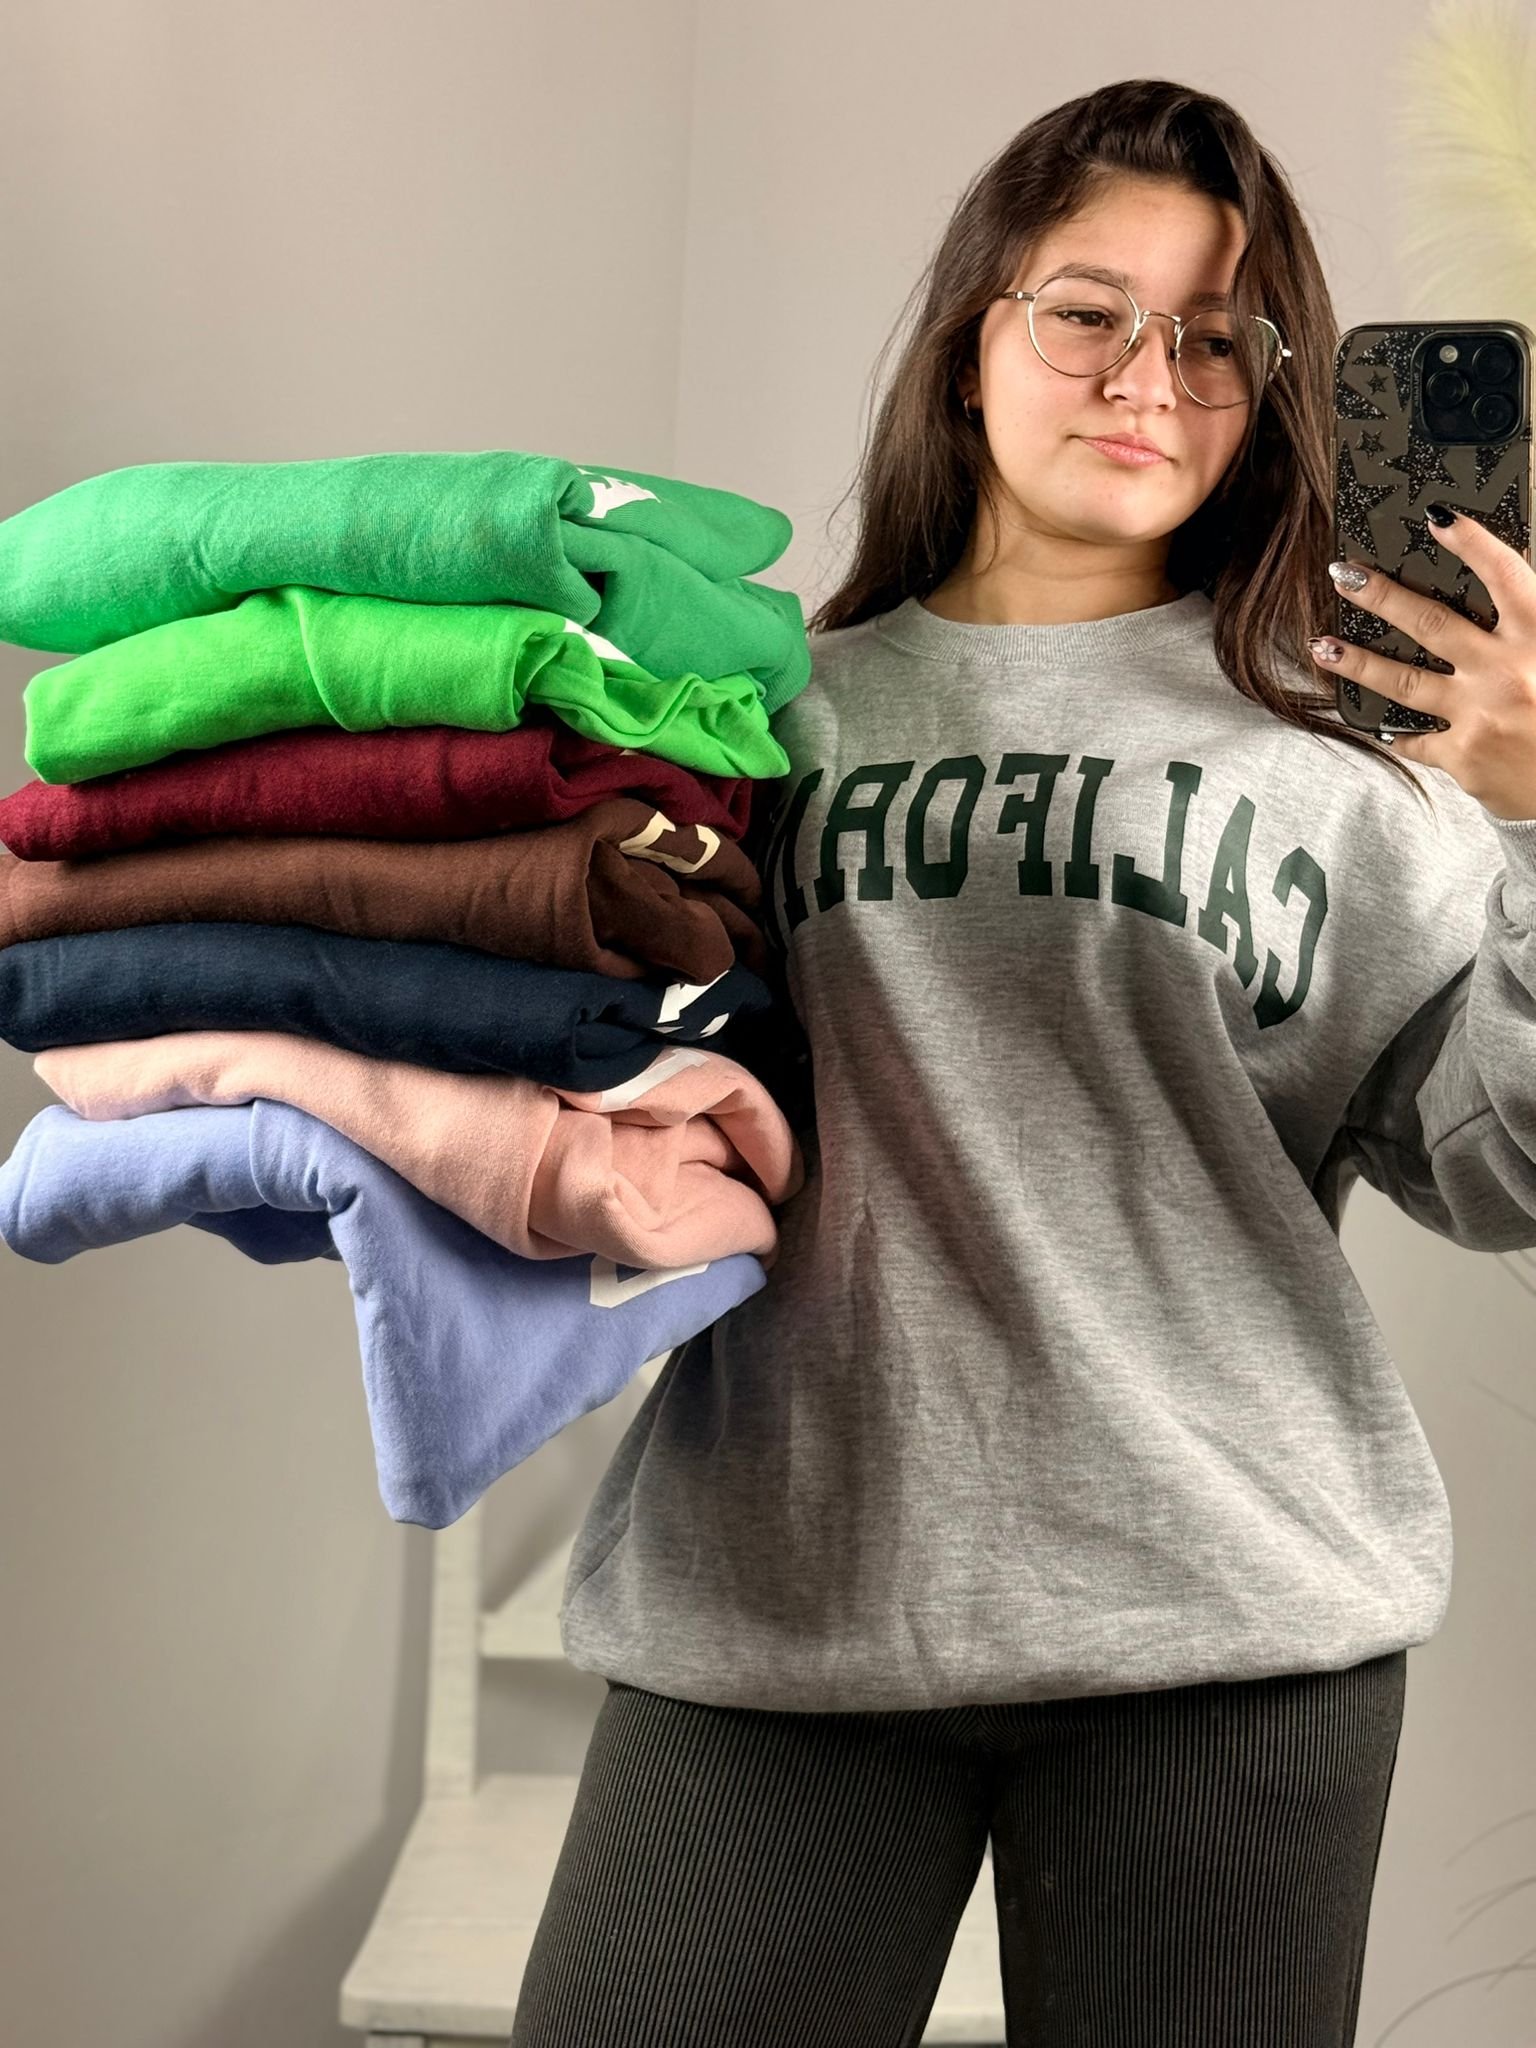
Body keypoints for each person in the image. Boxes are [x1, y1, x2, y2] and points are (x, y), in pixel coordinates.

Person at [509, 77, 1536, 2047]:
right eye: (1087, 312)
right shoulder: (757, 718)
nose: (1150, 377)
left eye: (1217, 338)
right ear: (969, 338)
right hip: (781, 1595)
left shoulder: (1350, 770)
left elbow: (1507, 1173)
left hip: (1229, 1626)